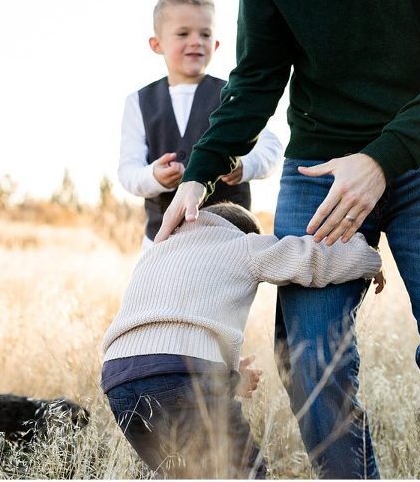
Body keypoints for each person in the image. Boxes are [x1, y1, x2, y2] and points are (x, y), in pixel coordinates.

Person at [153, 0, 420, 479]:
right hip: (320, 164)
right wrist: (198, 175)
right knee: (309, 361)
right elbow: (258, 74)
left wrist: (382, 160)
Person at [101, 202, 384, 478]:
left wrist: (230, 377)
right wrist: (367, 258)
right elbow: (307, 259)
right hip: (181, 374)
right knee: (244, 473)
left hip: (118, 383)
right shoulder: (241, 243)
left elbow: (168, 330)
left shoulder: (157, 253)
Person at [118, 0, 283, 248]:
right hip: (161, 241)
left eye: (205, 34)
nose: (195, 41)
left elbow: (271, 149)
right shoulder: (138, 102)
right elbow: (128, 171)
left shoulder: (235, 95)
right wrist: (154, 177)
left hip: (227, 240)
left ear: (215, 44)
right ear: (157, 44)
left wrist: (244, 165)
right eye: (183, 33)